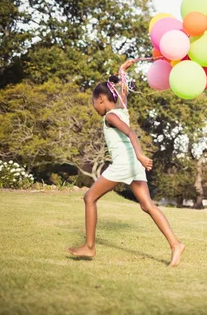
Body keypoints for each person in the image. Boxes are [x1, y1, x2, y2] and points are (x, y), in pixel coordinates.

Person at [67, 59, 185, 267]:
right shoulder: (122, 109)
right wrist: (122, 71)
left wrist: (139, 154)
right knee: (147, 205)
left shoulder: (111, 117)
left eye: (94, 102)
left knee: (89, 198)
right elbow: (124, 92)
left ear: (101, 99)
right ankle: (175, 244)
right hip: (134, 165)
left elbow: (130, 133)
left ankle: (89, 247)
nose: (94, 107)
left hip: (125, 164)